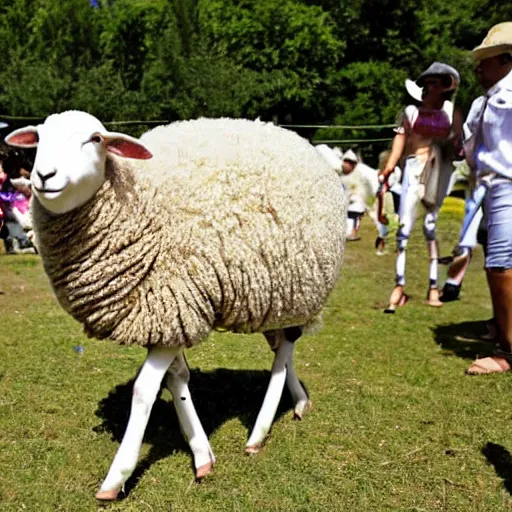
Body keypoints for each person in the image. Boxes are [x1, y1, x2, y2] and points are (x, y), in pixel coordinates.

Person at [379, 62, 462, 313]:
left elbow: (457, 145)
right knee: (404, 227)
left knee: (430, 227)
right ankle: (399, 286)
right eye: (426, 83)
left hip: (439, 171)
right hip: (414, 170)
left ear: (444, 87)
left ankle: (433, 286)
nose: (428, 87)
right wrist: (389, 168)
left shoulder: (451, 113)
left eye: (434, 83)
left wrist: (450, 142)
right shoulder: (410, 113)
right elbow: (399, 141)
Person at [462, 22, 512, 374]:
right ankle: (501, 327)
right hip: (491, 187)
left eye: (487, 60)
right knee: (496, 258)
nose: (480, 67)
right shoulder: (489, 98)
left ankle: (507, 350)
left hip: (507, 183)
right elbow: (471, 148)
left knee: (500, 262)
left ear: (507, 59)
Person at [339, 149, 379, 241]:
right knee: (347, 218)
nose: (346, 164)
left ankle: (353, 233)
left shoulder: (361, 173)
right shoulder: (341, 174)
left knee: (356, 217)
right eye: (345, 161)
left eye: (349, 162)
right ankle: (347, 233)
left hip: (358, 202)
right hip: (347, 202)